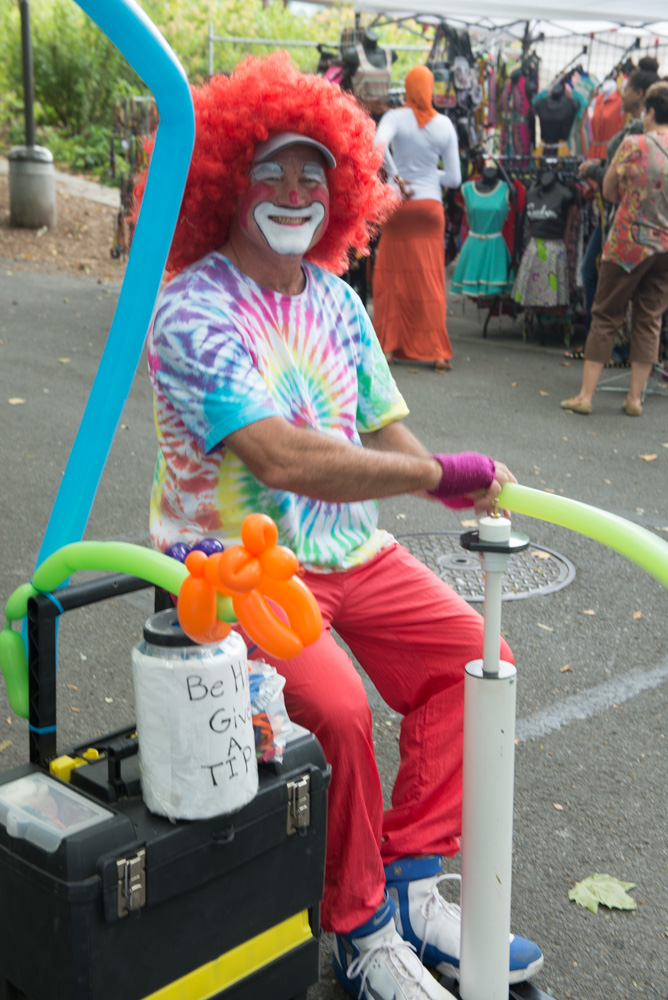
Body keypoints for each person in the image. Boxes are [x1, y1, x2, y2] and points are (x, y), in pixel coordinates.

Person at [135, 53, 543, 1000]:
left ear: (343, 188)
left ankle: (406, 881)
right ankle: (360, 930)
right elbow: (277, 456)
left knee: (476, 663)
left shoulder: (332, 299)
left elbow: (379, 418)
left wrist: (443, 478)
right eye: (270, 167)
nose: (293, 187)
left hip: (348, 547)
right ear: (224, 183)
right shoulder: (191, 309)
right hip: (234, 567)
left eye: (313, 169)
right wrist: (433, 473)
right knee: (342, 713)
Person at [561, 80, 668, 416]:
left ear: (649, 111)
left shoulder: (634, 144)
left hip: (627, 243)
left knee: (606, 314)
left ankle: (586, 395)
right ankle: (634, 399)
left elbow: (608, 191)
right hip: (664, 245)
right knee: (649, 320)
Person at [372, 65, 462, 372]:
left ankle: (387, 348)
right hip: (429, 208)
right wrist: (428, 174)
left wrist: (396, 176)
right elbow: (453, 179)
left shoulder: (395, 117)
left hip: (398, 207)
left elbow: (376, 146)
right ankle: (437, 352)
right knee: (430, 279)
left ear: (408, 89)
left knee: (392, 278)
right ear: (431, 89)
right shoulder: (445, 125)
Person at [570, 57, 660, 358]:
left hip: (626, 223)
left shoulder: (635, 137)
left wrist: (595, 170)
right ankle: (632, 374)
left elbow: (613, 187)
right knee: (648, 310)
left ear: (640, 96)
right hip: (655, 229)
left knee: (605, 289)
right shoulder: (638, 132)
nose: (621, 92)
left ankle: (607, 350)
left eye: (627, 87)